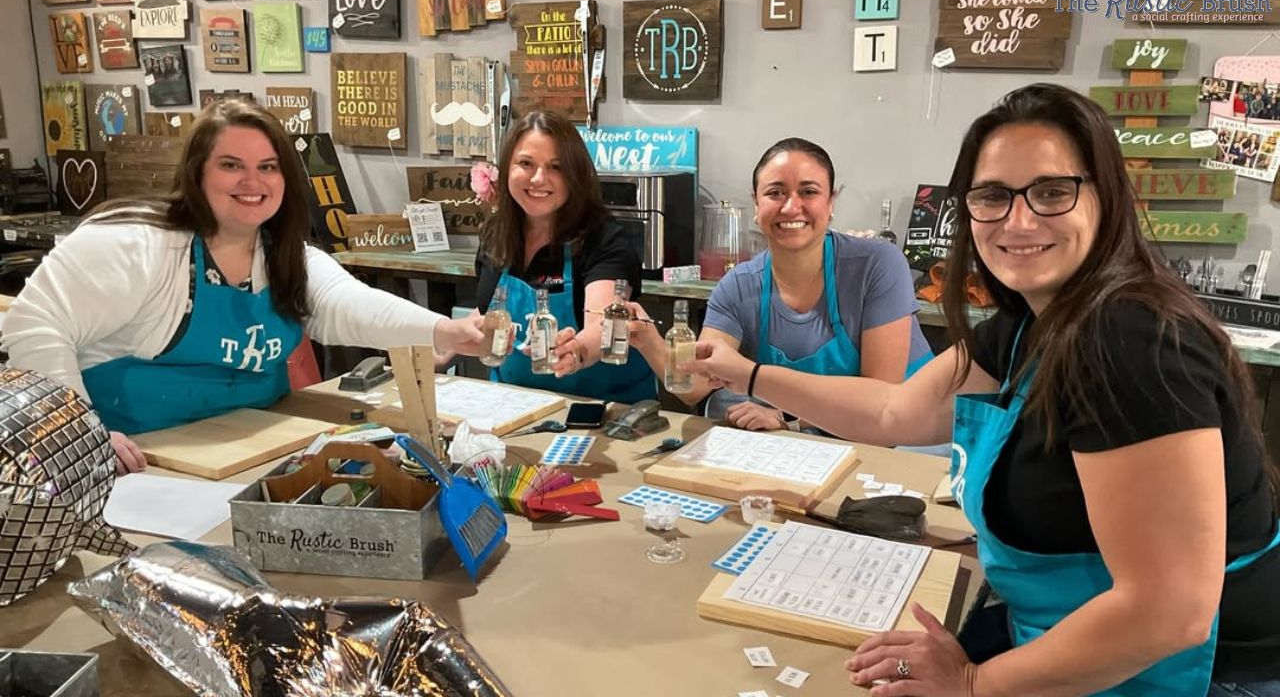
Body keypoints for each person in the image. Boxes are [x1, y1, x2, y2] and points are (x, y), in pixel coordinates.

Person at [688, 84, 1280, 696]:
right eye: (993, 196)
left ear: (1107, 197)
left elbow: (1169, 612)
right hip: (1061, 636)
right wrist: (744, 374)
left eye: (1052, 191)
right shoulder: (1026, 326)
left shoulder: (1134, 344)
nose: (1018, 221)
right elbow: (894, 411)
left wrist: (972, 682)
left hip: (1188, 674)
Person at [3, 98, 486, 475]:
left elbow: (348, 306)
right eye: (231, 165)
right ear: (197, 172)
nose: (252, 181)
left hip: (250, 453)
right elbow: (34, 325)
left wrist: (445, 332)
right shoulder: (135, 244)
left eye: (268, 166)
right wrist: (79, 438)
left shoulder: (284, 255)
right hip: (141, 466)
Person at [629, 138, 930, 432]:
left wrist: (786, 416)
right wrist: (647, 339)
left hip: (909, 439)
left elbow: (881, 401)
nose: (791, 207)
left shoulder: (878, 265)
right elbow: (698, 385)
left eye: (809, 191)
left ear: (831, 202)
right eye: (775, 193)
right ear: (756, 204)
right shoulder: (737, 287)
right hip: (817, 442)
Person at [471, 110, 656, 403]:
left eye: (555, 167)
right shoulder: (496, 234)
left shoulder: (604, 238)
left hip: (603, 410)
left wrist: (576, 350)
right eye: (525, 163)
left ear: (575, 175)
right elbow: (484, 313)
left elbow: (603, 320)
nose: (538, 178)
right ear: (507, 167)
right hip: (513, 403)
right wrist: (441, 347)